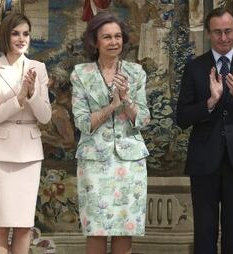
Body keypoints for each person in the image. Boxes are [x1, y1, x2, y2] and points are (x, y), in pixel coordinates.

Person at [176, 7, 233, 254]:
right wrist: (210, 102)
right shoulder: (195, 67)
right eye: (217, 32)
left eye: (228, 31)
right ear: (208, 34)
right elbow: (182, 117)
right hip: (204, 158)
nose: (223, 37)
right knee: (204, 231)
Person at [71, 12, 150, 254]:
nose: (114, 42)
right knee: (96, 228)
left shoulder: (136, 73)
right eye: (107, 37)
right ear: (95, 42)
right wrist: (112, 106)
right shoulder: (81, 74)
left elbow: (144, 119)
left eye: (117, 36)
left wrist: (125, 100)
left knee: (125, 229)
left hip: (130, 162)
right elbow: (83, 122)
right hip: (95, 161)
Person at [0, 12, 51, 254]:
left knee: (23, 227)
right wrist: (19, 98)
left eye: (26, 33)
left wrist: (31, 96)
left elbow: (45, 117)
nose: (22, 38)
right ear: (5, 36)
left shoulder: (38, 68)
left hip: (30, 155)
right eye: (15, 33)